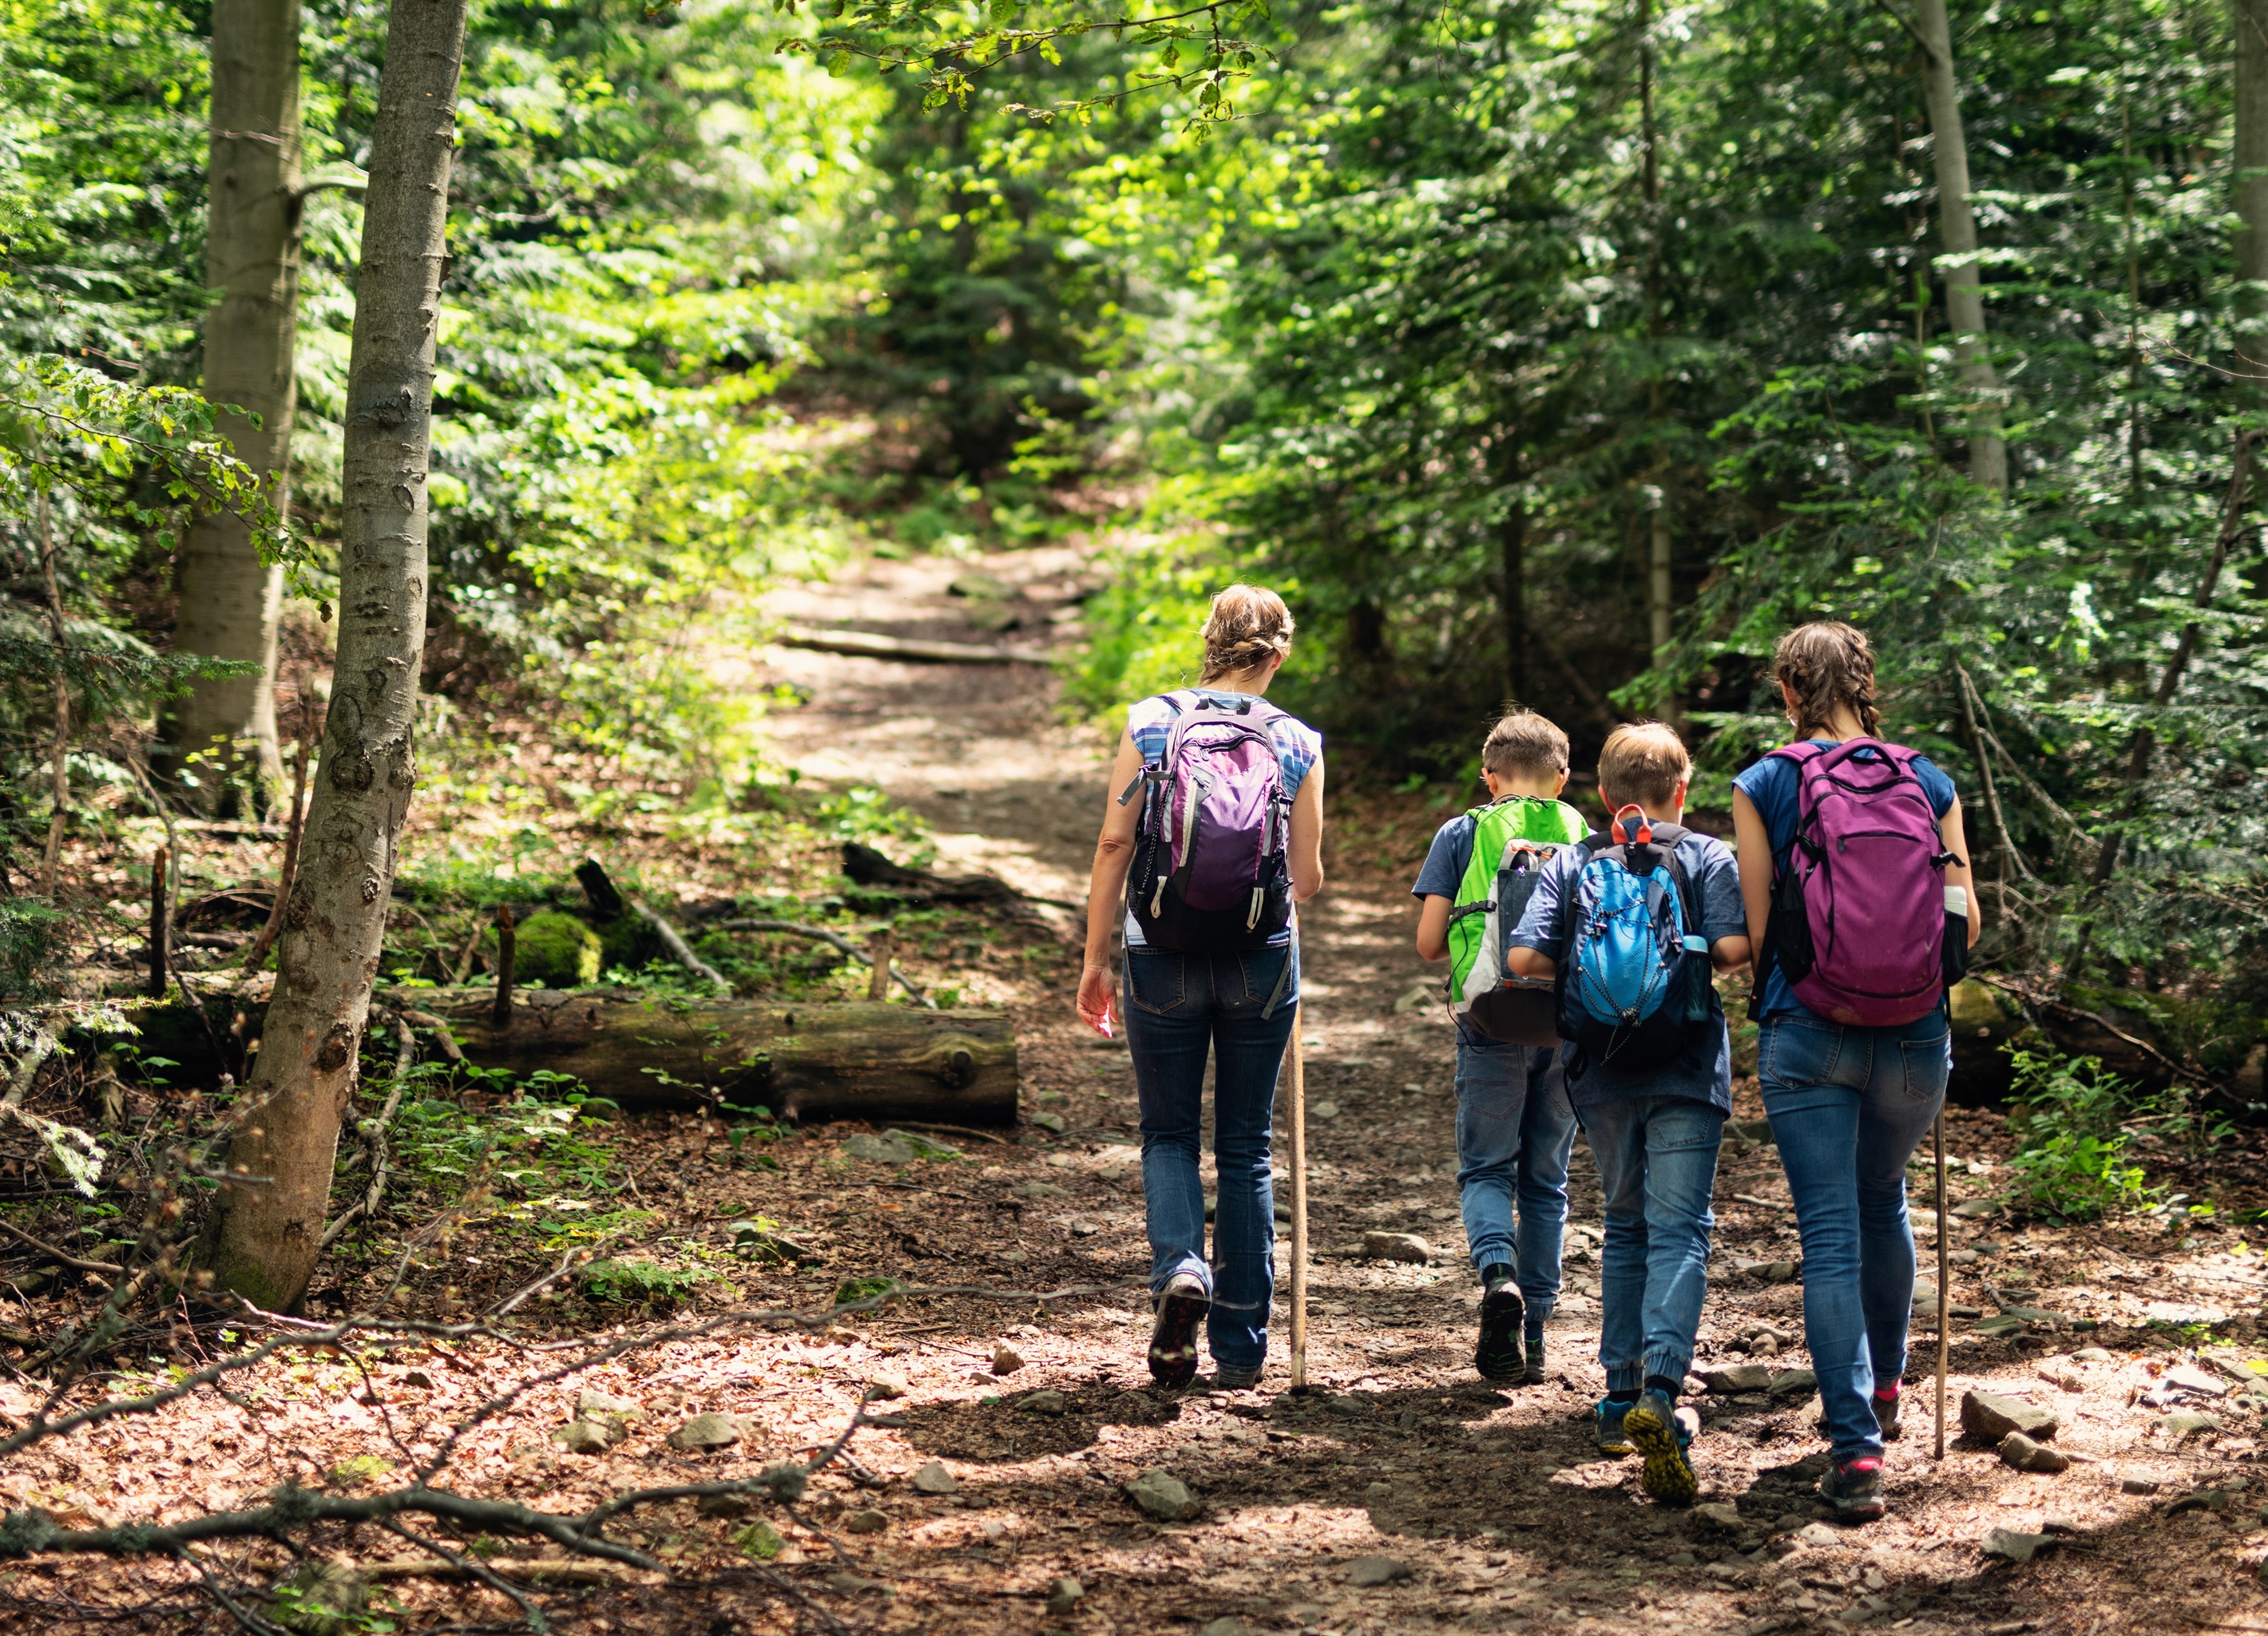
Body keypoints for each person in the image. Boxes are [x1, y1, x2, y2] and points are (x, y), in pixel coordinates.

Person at [1731, 621, 1979, 1522]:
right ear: (1864, 684)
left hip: (1809, 1034)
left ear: (1788, 691)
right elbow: (1966, 924)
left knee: (1830, 1232)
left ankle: (1854, 1453)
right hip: (1916, 1036)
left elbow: (1762, 934)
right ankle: (1885, 1390)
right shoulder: (1926, 777)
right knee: (1886, 1200)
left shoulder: (1765, 781)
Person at [1076, 584, 1326, 1390]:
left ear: (1207, 644)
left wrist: (1094, 960)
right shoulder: (1297, 740)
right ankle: (1242, 1349)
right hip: (1261, 957)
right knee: (1247, 1148)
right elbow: (1308, 877)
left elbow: (1116, 842)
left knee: (1169, 1134)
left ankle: (1181, 1272)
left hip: (1159, 950)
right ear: (1276, 655)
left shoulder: (1150, 722)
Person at [1506, 723, 1750, 1504]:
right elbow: (1735, 949)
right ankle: (1662, 1390)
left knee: (1625, 1223)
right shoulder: (1705, 855)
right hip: (1683, 1068)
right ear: (1681, 789)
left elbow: (1523, 959)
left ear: (1603, 796)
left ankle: (1616, 1398)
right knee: (1680, 1229)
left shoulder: (1574, 862)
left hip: (1602, 1074)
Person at [1411, 711, 1587, 1384]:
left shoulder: (1462, 832)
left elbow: (1430, 944)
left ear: (1489, 778)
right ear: (1564, 777)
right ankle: (1535, 1334)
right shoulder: (1586, 835)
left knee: (1487, 1170)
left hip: (1488, 1020)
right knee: (1547, 1180)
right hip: (1568, 1025)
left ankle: (1498, 1275)